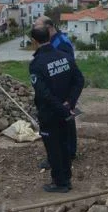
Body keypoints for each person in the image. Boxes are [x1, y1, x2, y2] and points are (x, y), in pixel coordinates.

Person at [28, 25, 84, 193]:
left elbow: (44, 94)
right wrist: (69, 103)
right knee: (65, 145)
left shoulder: (37, 64)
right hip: (66, 112)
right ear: (49, 37)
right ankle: (66, 179)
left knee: (54, 149)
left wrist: (62, 108)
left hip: (50, 114)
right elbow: (79, 81)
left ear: (34, 41)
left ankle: (60, 183)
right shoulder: (65, 57)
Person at [33, 15, 78, 168]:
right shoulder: (55, 41)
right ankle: (65, 153)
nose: (35, 29)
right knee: (65, 120)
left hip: (62, 91)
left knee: (63, 121)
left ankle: (65, 154)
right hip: (59, 90)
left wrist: (69, 98)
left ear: (48, 27)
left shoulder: (60, 43)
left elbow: (69, 67)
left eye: (37, 26)